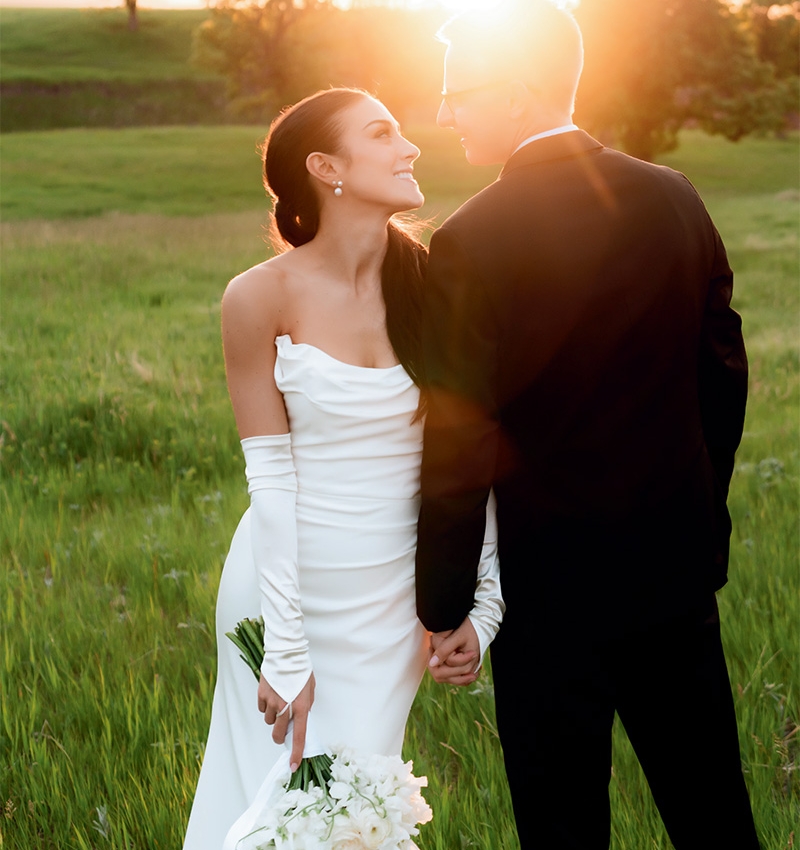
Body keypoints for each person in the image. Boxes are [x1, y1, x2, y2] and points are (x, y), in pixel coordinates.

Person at [415, 2, 760, 848]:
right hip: (673, 570)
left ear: (523, 92)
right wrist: (693, 506)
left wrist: (445, 602)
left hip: (548, 591)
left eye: (461, 91)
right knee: (714, 812)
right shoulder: (675, 197)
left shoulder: (467, 241)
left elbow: (460, 435)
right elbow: (723, 377)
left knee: (563, 826)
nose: (444, 111)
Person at [182, 87, 504, 850]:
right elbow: (270, 478)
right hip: (285, 587)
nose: (411, 147)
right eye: (383, 133)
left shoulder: (436, 288)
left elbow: (473, 457)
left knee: (358, 805)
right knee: (268, 798)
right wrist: (286, 650)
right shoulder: (258, 297)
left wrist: (483, 604)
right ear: (325, 166)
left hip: (391, 599)